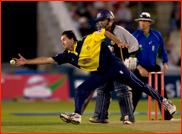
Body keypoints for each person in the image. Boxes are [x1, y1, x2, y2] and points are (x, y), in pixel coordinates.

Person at [12, 29, 176, 124]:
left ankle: (165, 102)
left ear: (71, 39)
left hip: (114, 66)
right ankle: (77, 115)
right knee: (82, 88)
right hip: (101, 73)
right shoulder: (67, 55)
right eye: (61, 40)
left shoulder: (88, 39)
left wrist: (118, 42)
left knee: (139, 85)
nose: (62, 42)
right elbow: (47, 60)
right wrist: (27, 61)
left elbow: (105, 32)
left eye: (64, 39)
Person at [88, 9, 139, 124]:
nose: (100, 22)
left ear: (110, 20)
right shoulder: (100, 33)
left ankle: (127, 117)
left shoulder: (119, 31)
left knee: (122, 90)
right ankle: (100, 116)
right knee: (102, 89)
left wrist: (132, 57)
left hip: (119, 67)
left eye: (103, 20)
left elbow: (134, 43)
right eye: (99, 20)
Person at [131, 12, 179, 121]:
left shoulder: (157, 35)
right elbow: (131, 55)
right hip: (139, 69)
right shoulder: (135, 36)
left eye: (144, 21)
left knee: (161, 93)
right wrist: (139, 68)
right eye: (140, 21)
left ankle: (168, 117)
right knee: (134, 94)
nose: (142, 23)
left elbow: (162, 51)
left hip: (154, 68)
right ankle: (127, 116)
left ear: (149, 23)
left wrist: (165, 63)